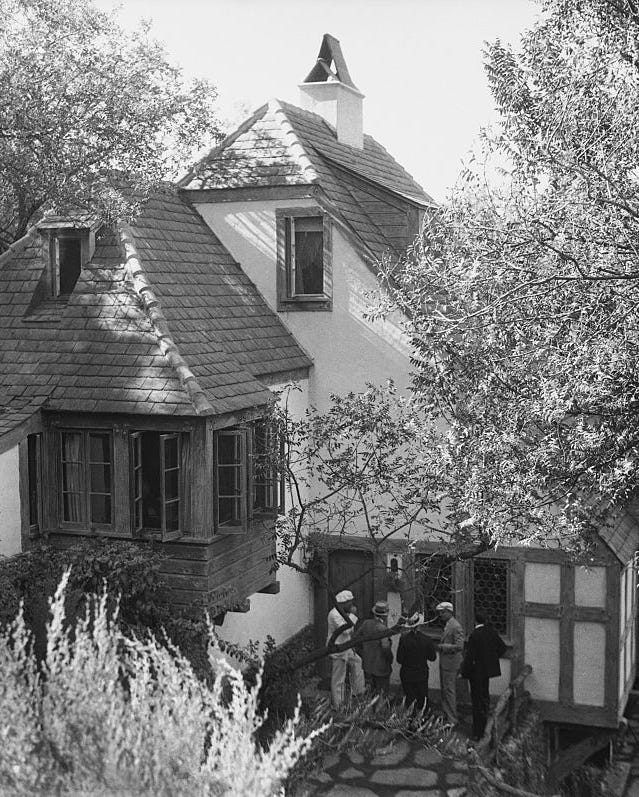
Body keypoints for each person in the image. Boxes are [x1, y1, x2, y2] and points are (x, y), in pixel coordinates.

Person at [460, 613, 507, 740]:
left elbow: (469, 657)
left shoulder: (474, 635)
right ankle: (487, 725)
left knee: (476, 702)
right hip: (486, 673)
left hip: (475, 673)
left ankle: (478, 732)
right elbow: (502, 648)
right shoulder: (491, 632)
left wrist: (464, 672)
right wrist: (490, 659)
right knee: (485, 698)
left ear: (475, 621)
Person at [326, 589, 365, 707]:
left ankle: (358, 692)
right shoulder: (334, 614)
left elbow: (349, 632)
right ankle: (338, 705)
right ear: (344, 602)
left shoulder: (343, 612)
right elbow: (346, 629)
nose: (352, 605)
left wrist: (351, 644)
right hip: (338, 649)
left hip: (346, 647)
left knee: (357, 662)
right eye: (350, 602)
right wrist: (353, 615)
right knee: (339, 677)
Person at [396, 611, 437, 714]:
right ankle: (420, 722)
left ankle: (408, 721)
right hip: (421, 674)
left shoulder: (404, 639)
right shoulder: (427, 640)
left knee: (409, 699)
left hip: (407, 673)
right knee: (421, 700)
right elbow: (432, 657)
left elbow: (399, 659)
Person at [354, 600, 393, 695]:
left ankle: (371, 709)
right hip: (381, 667)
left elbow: (355, 639)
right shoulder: (383, 629)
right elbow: (385, 648)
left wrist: (363, 653)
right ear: (385, 615)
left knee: (371, 693)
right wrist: (390, 659)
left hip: (368, 665)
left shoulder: (366, 624)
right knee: (381, 693)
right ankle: (379, 709)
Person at [435, 601, 464, 725]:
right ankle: (447, 714)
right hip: (446, 662)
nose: (440, 615)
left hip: (451, 663)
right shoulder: (448, 624)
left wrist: (443, 646)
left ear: (449, 612)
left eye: (442, 612)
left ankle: (452, 718)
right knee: (445, 690)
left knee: (449, 690)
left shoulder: (455, 626)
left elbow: (459, 646)